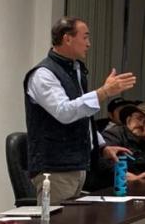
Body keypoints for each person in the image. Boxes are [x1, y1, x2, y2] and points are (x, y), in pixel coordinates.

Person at [24, 16, 136, 204]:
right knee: (58, 222)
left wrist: (102, 147)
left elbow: (83, 117)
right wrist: (103, 92)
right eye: (85, 37)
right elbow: (64, 112)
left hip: (77, 165)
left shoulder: (75, 70)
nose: (89, 44)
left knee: (75, 220)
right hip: (54, 169)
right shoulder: (43, 74)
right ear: (67, 38)